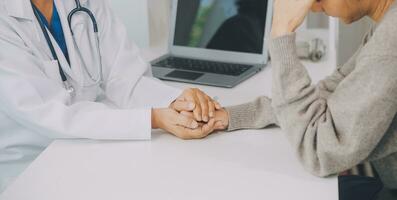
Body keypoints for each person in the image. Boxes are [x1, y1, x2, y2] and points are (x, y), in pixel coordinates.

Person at [0, 0, 222, 192]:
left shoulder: (86, 3)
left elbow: (125, 76)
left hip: (87, 151)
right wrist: (153, 118)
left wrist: (176, 102)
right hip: (30, 167)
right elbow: (47, 112)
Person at [212, 0, 397, 199]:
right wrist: (231, 116)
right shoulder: (387, 26)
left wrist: (281, 31)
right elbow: (329, 94)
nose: (314, 8)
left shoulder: (391, 40)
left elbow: (321, 151)